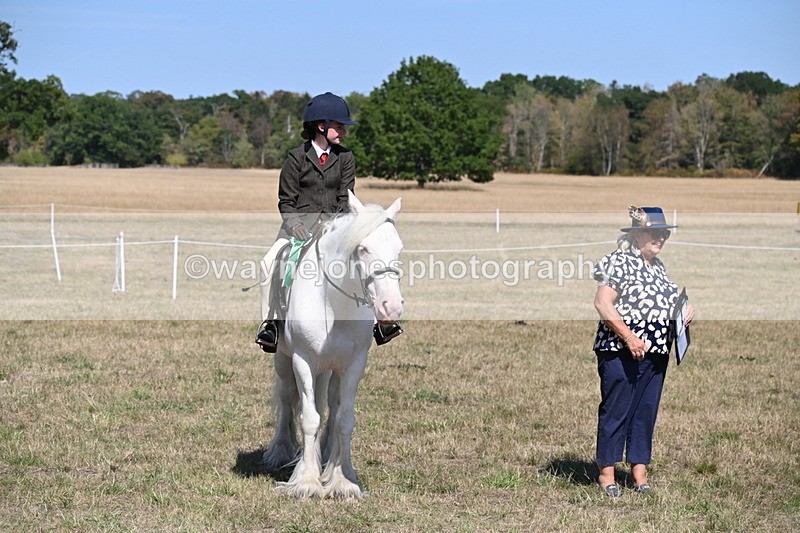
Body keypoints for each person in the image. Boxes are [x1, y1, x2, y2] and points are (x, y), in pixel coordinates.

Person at [255, 92, 403, 352]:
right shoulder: (296, 158)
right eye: (339, 125)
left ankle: (379, 324)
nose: (343, 131)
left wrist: (336, 226)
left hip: (335, 229)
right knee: (270, 262)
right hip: (297, 229)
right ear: (321, 126)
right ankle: (271, 324)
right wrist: (296, 226)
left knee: (362, 263)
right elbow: (286, 201)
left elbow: (347, 197)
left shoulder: (345, 158)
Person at [591, 206, 695, 497]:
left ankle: (639, 473)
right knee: (617, 409)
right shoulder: (617, 261)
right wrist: (629, 338)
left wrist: (685, 310)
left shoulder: (659, 267)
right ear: (638, 234)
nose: (661, 238)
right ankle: (607, 474)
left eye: (665, 234)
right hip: (620, 349)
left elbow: (670, 302)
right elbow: (603, 303)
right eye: (656, 232)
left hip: (657, 352)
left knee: (645, 411)